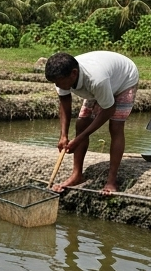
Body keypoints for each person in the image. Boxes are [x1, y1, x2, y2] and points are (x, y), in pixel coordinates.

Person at [44, 51, 140, 195]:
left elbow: (109, 109)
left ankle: (111, 180)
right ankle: (77, 175)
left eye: (59, 82)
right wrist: (63, 135)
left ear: (74, 74)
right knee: (81, 123)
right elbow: (64, 102)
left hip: (125, 80)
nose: (57, 85)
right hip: (105, 82)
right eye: (55, 82)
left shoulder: (96, 80)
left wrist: (80, 138)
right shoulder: (61, 78)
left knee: (116, 126)